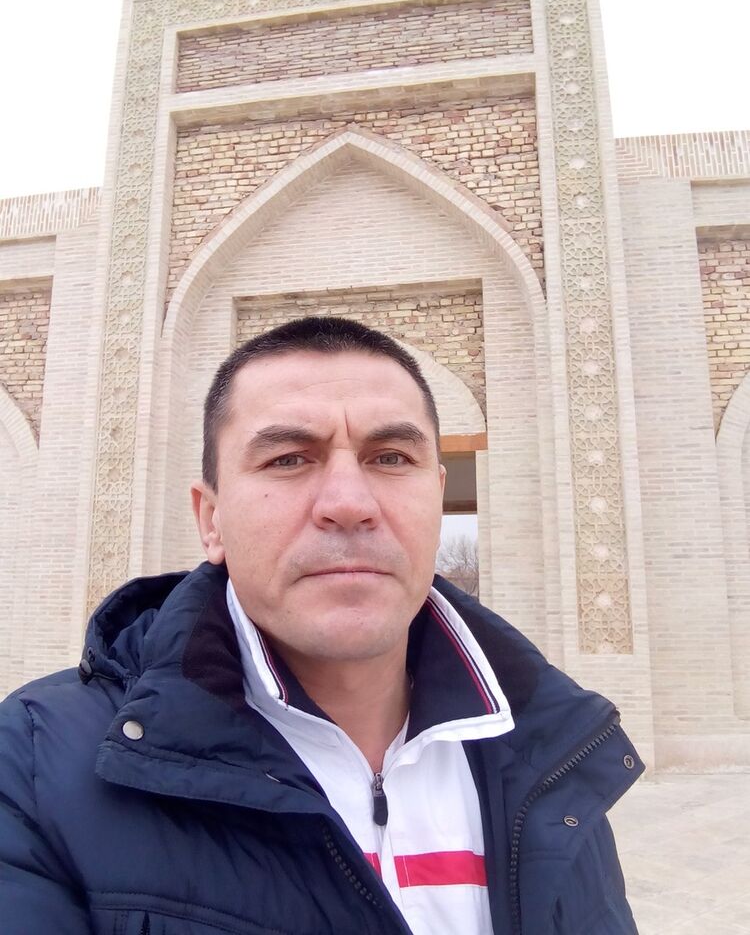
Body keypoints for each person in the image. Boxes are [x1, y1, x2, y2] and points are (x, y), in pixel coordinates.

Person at [0, 316, 643, 935]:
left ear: (439, 496)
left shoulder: (549, 756)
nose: (349, 504)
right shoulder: (35, 767)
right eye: (288, 459)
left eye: (391, 457)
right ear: (211, 519)